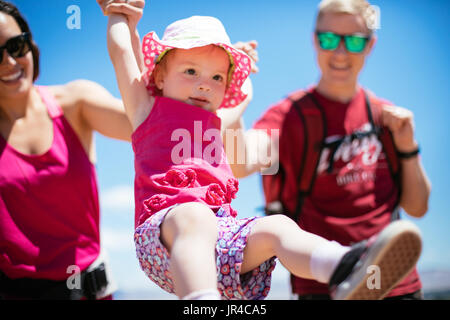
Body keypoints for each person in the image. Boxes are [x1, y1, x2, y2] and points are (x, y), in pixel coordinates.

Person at [98, 0, 423, 300]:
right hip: (164, 238)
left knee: (277, 226)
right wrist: (121, 16)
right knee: (194, 216)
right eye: (190, 71)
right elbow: (121, 54)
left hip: (220, 240)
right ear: (158, 76)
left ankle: (345, 266)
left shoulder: (217, 120)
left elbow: (241, 98)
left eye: (216, 77)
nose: (203, 84)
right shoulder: (146, 110)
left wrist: (244, 67)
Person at [236, 0, 432, 300]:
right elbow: (240, 162)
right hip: (325, 286)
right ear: (315, 40)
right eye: (329, 39)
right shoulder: (288, 116)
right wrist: (232, 100)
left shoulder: (387, 117)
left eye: (354, 41)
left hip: (396, 284)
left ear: (370, 46)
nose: (340, 53)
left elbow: (418, 208)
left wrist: (407, 147)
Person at [0, 0, 133, 299]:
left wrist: (125, 32)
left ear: (29, 44)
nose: (9, 62)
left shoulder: (75, 102)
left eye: (16, 46)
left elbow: (145, 127)